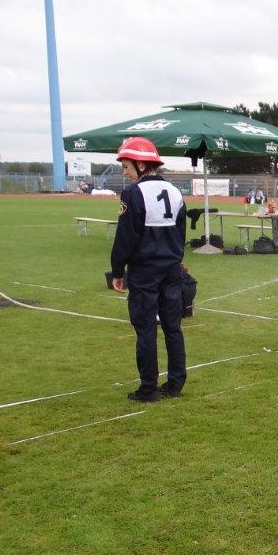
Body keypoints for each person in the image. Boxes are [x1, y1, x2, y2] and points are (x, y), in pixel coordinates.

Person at [110, 137, 187, 402]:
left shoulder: (133, 194)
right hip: (172, 269)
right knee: (173, 327)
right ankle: (176, 384)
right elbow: (180, 233)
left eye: (127, 166)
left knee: (145, 329)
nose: (125, 172)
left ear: (141, 164)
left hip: (145, 271)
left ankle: (148, 388)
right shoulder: (176, 193)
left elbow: (125, 237)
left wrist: (117, 270)